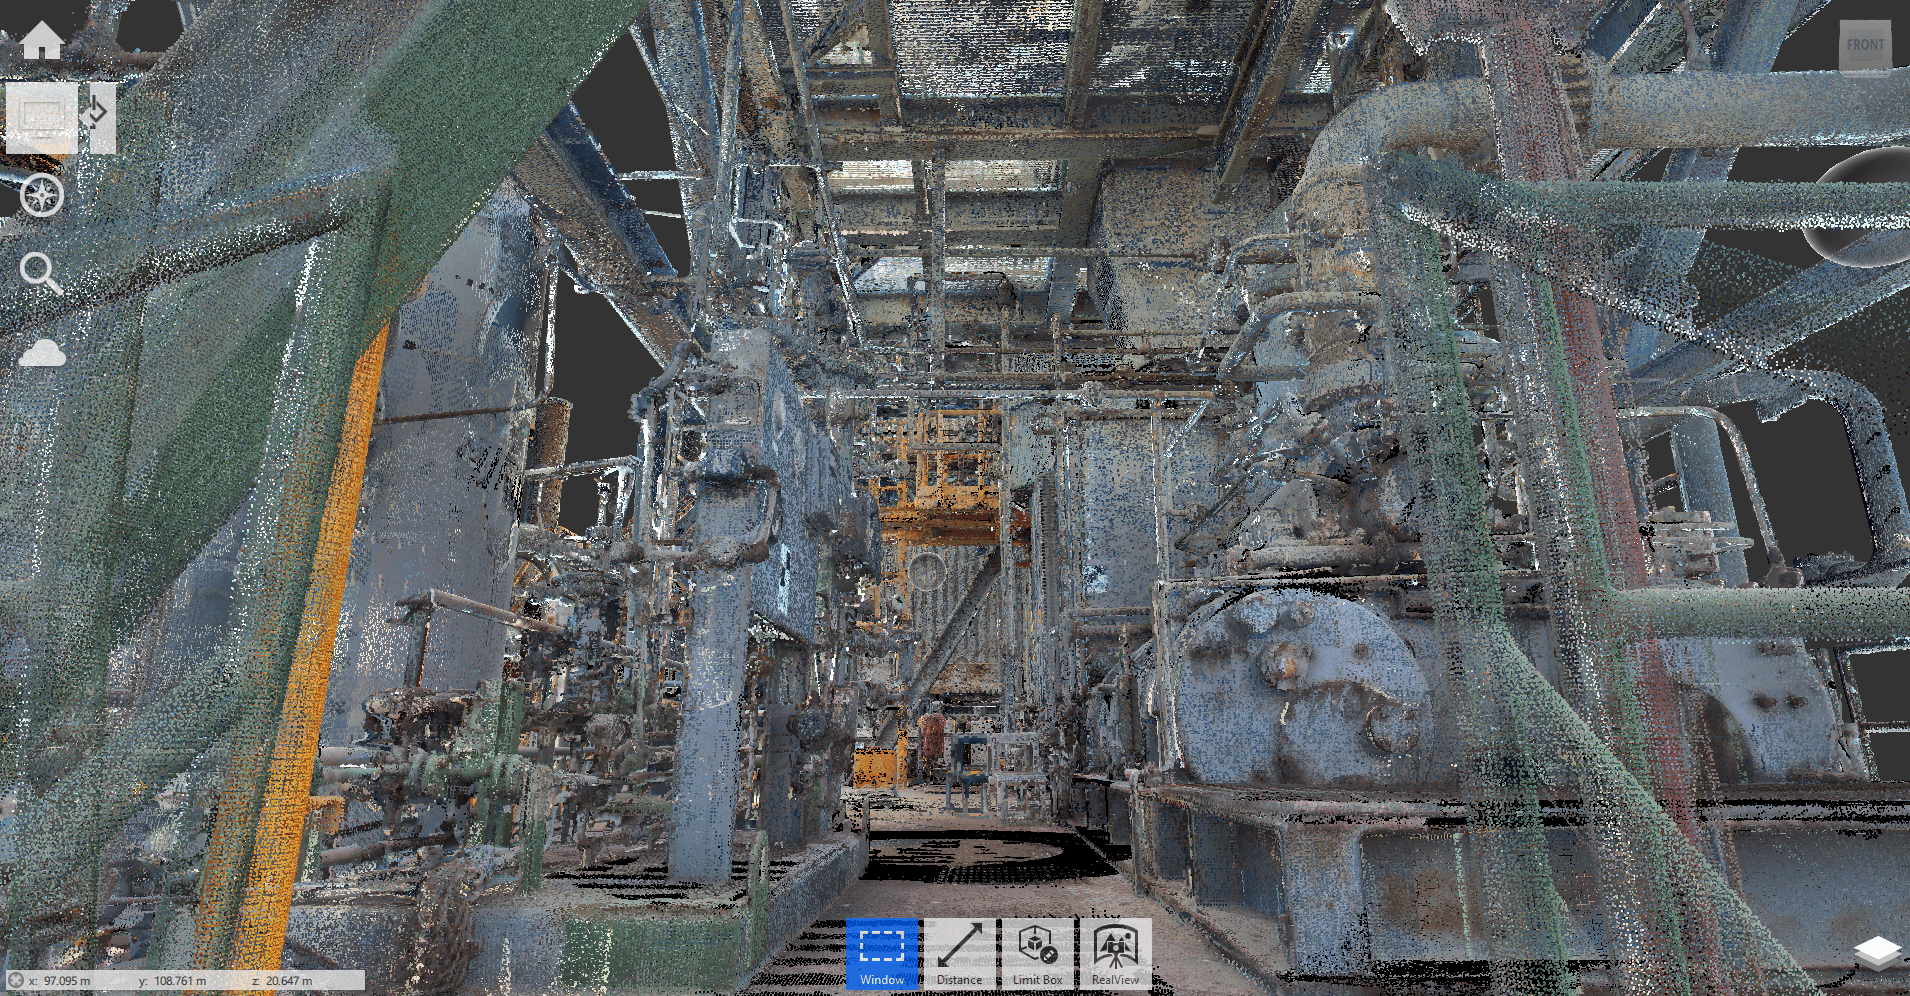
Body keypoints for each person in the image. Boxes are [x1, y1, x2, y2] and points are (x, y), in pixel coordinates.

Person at [915, 701, 948, 785]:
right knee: (935, 762)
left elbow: (919, 725)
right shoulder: (939, 717)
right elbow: (944, 725)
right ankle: (932, 778)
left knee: (926, 761)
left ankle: (926, 779)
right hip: (936, 744)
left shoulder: (923, 718)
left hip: (925, 744)